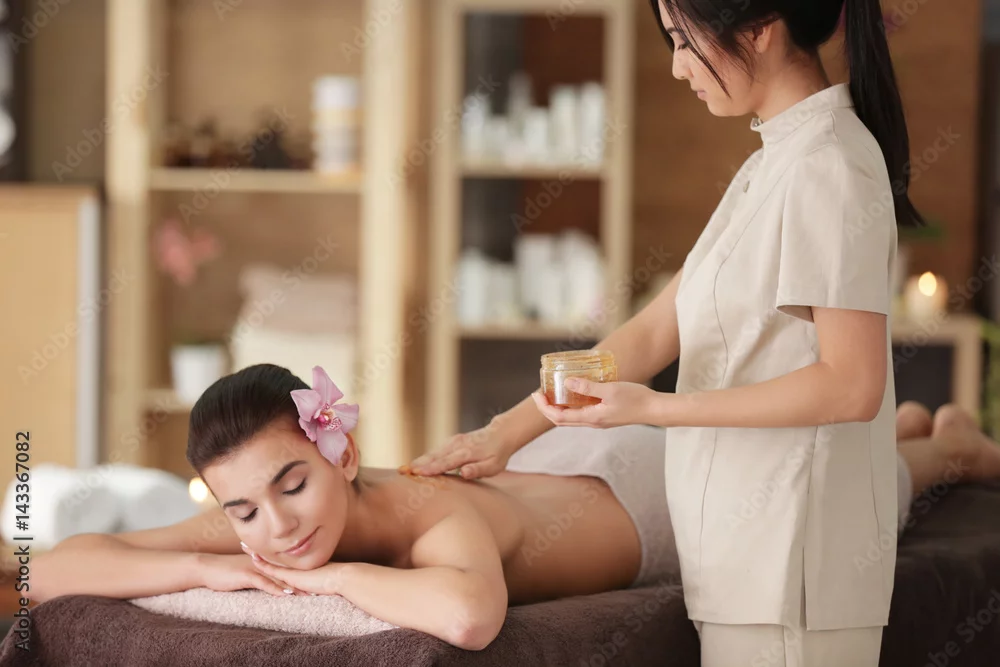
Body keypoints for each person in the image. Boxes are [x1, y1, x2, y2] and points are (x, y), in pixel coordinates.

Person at [408, 1, 928, 664]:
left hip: (794, 569)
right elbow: (657, 328)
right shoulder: (772, 162)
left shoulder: (828, 167)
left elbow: (852, 384)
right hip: (744, 562)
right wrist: (505, 433)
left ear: (759, 29)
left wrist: (654, 408)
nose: (679, 67)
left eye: (684, 39)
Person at [33, 365, 1000, 653]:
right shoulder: (259, 526)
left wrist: (333, 580)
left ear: (342, 452)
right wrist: (203, 562)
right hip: (557, 470)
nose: (277, 529)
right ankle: (909, 424)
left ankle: (944, 444)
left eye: (293, 484)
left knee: (840, 490)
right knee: (840, 459)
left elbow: (468, 615)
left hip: (643, 497)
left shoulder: (426, 516)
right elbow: (51, 567)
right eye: (242, 509)